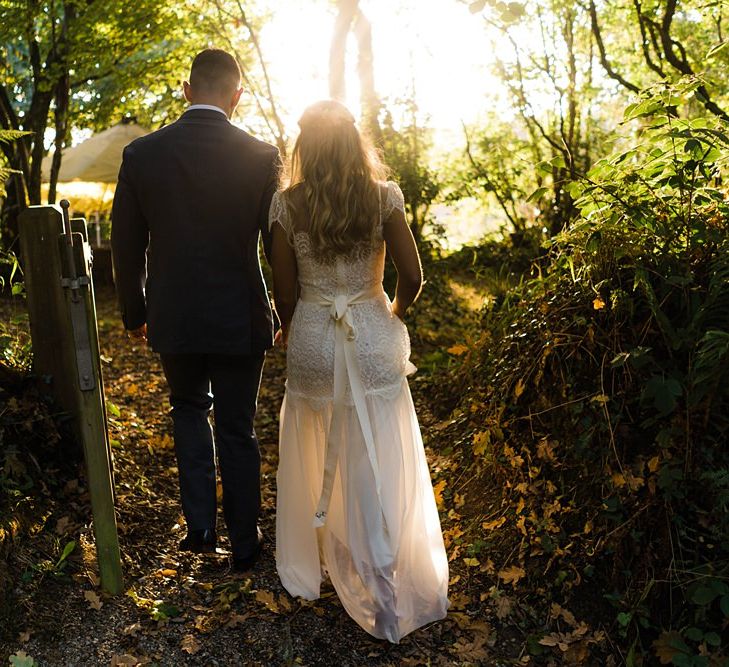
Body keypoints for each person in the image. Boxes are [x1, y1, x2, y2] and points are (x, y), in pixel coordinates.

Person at [270, 100, 449, 643]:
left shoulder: (287, 205)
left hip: (313, 341)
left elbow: (284, 293)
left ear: (305, 146)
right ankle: (382, 570)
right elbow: (413, 277)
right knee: (376, 456)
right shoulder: (383, 198)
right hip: (368, 336)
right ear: (354, 143)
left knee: (325, 447)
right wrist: (387, 313)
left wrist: (292, 326)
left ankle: (343, 558)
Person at [111, 49, 280, 572]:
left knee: (188, 410)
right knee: (238, 425)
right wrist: (288, 310)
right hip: (240, 311)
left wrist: (135, 311)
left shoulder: (143, 154)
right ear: (237, 96)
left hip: (174, 310)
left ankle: (201, 530)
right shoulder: (261, 155)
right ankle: (246, 543)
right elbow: (278, 246)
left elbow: (125, 243)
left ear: (186, 90)